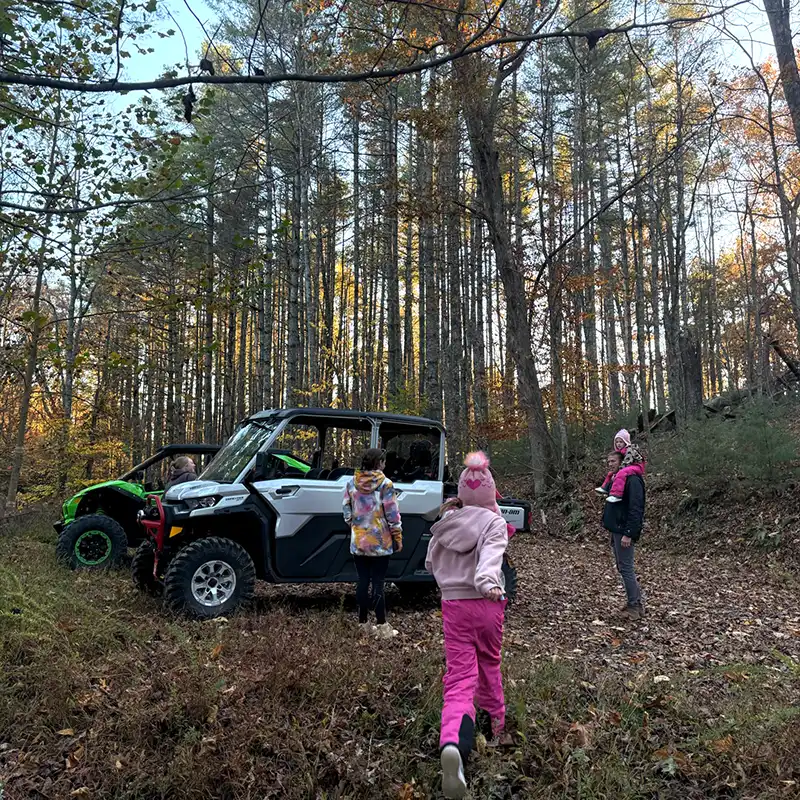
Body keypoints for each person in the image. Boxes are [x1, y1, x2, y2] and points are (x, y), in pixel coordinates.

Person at [426, 452, 511, 800]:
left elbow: (431, 562)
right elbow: (492, 554)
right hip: (487, 603)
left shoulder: (446, 522)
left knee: (460, 677)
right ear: (490, 493)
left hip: (453, 606)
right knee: (489, 663)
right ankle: (497, 730)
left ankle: (453, 744)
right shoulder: (493, 522)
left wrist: (450, 580)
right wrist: (488, 581)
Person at [342, 448, 403, 639]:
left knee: (362, 580)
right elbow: (392, 513)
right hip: (379, 542)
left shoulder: (351, 482)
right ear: (379, 463)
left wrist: (355, 525)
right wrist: (397, 535)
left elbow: (346, 509)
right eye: (383, 461)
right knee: (378, 582)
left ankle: (362, 623)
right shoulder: (386, 484)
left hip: (359, 540)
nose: (385, 464)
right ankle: (382, 625)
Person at [601, 449, 646, 621]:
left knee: (626, 568)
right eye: (608, 462)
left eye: (613, 461)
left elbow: (636, 509)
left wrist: (629, 533)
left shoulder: (633, 480)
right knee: (622, 567)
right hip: (617, 529)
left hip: (624, 531)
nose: (610, 464)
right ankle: (635, 603)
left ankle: (634, 606)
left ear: (622, 461)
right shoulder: (618, 478)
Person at [595, 428, 645, 504]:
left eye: (621, 442)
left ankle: (617, 494)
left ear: (625, 442)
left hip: (636, 465)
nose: (618, 444)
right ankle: (604, 487)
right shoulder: (619, 451)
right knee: (610, 473)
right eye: (617, 442)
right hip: (629, 465)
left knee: (621, 473)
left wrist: (617, 474)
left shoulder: (629, 450)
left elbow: (626, 462)